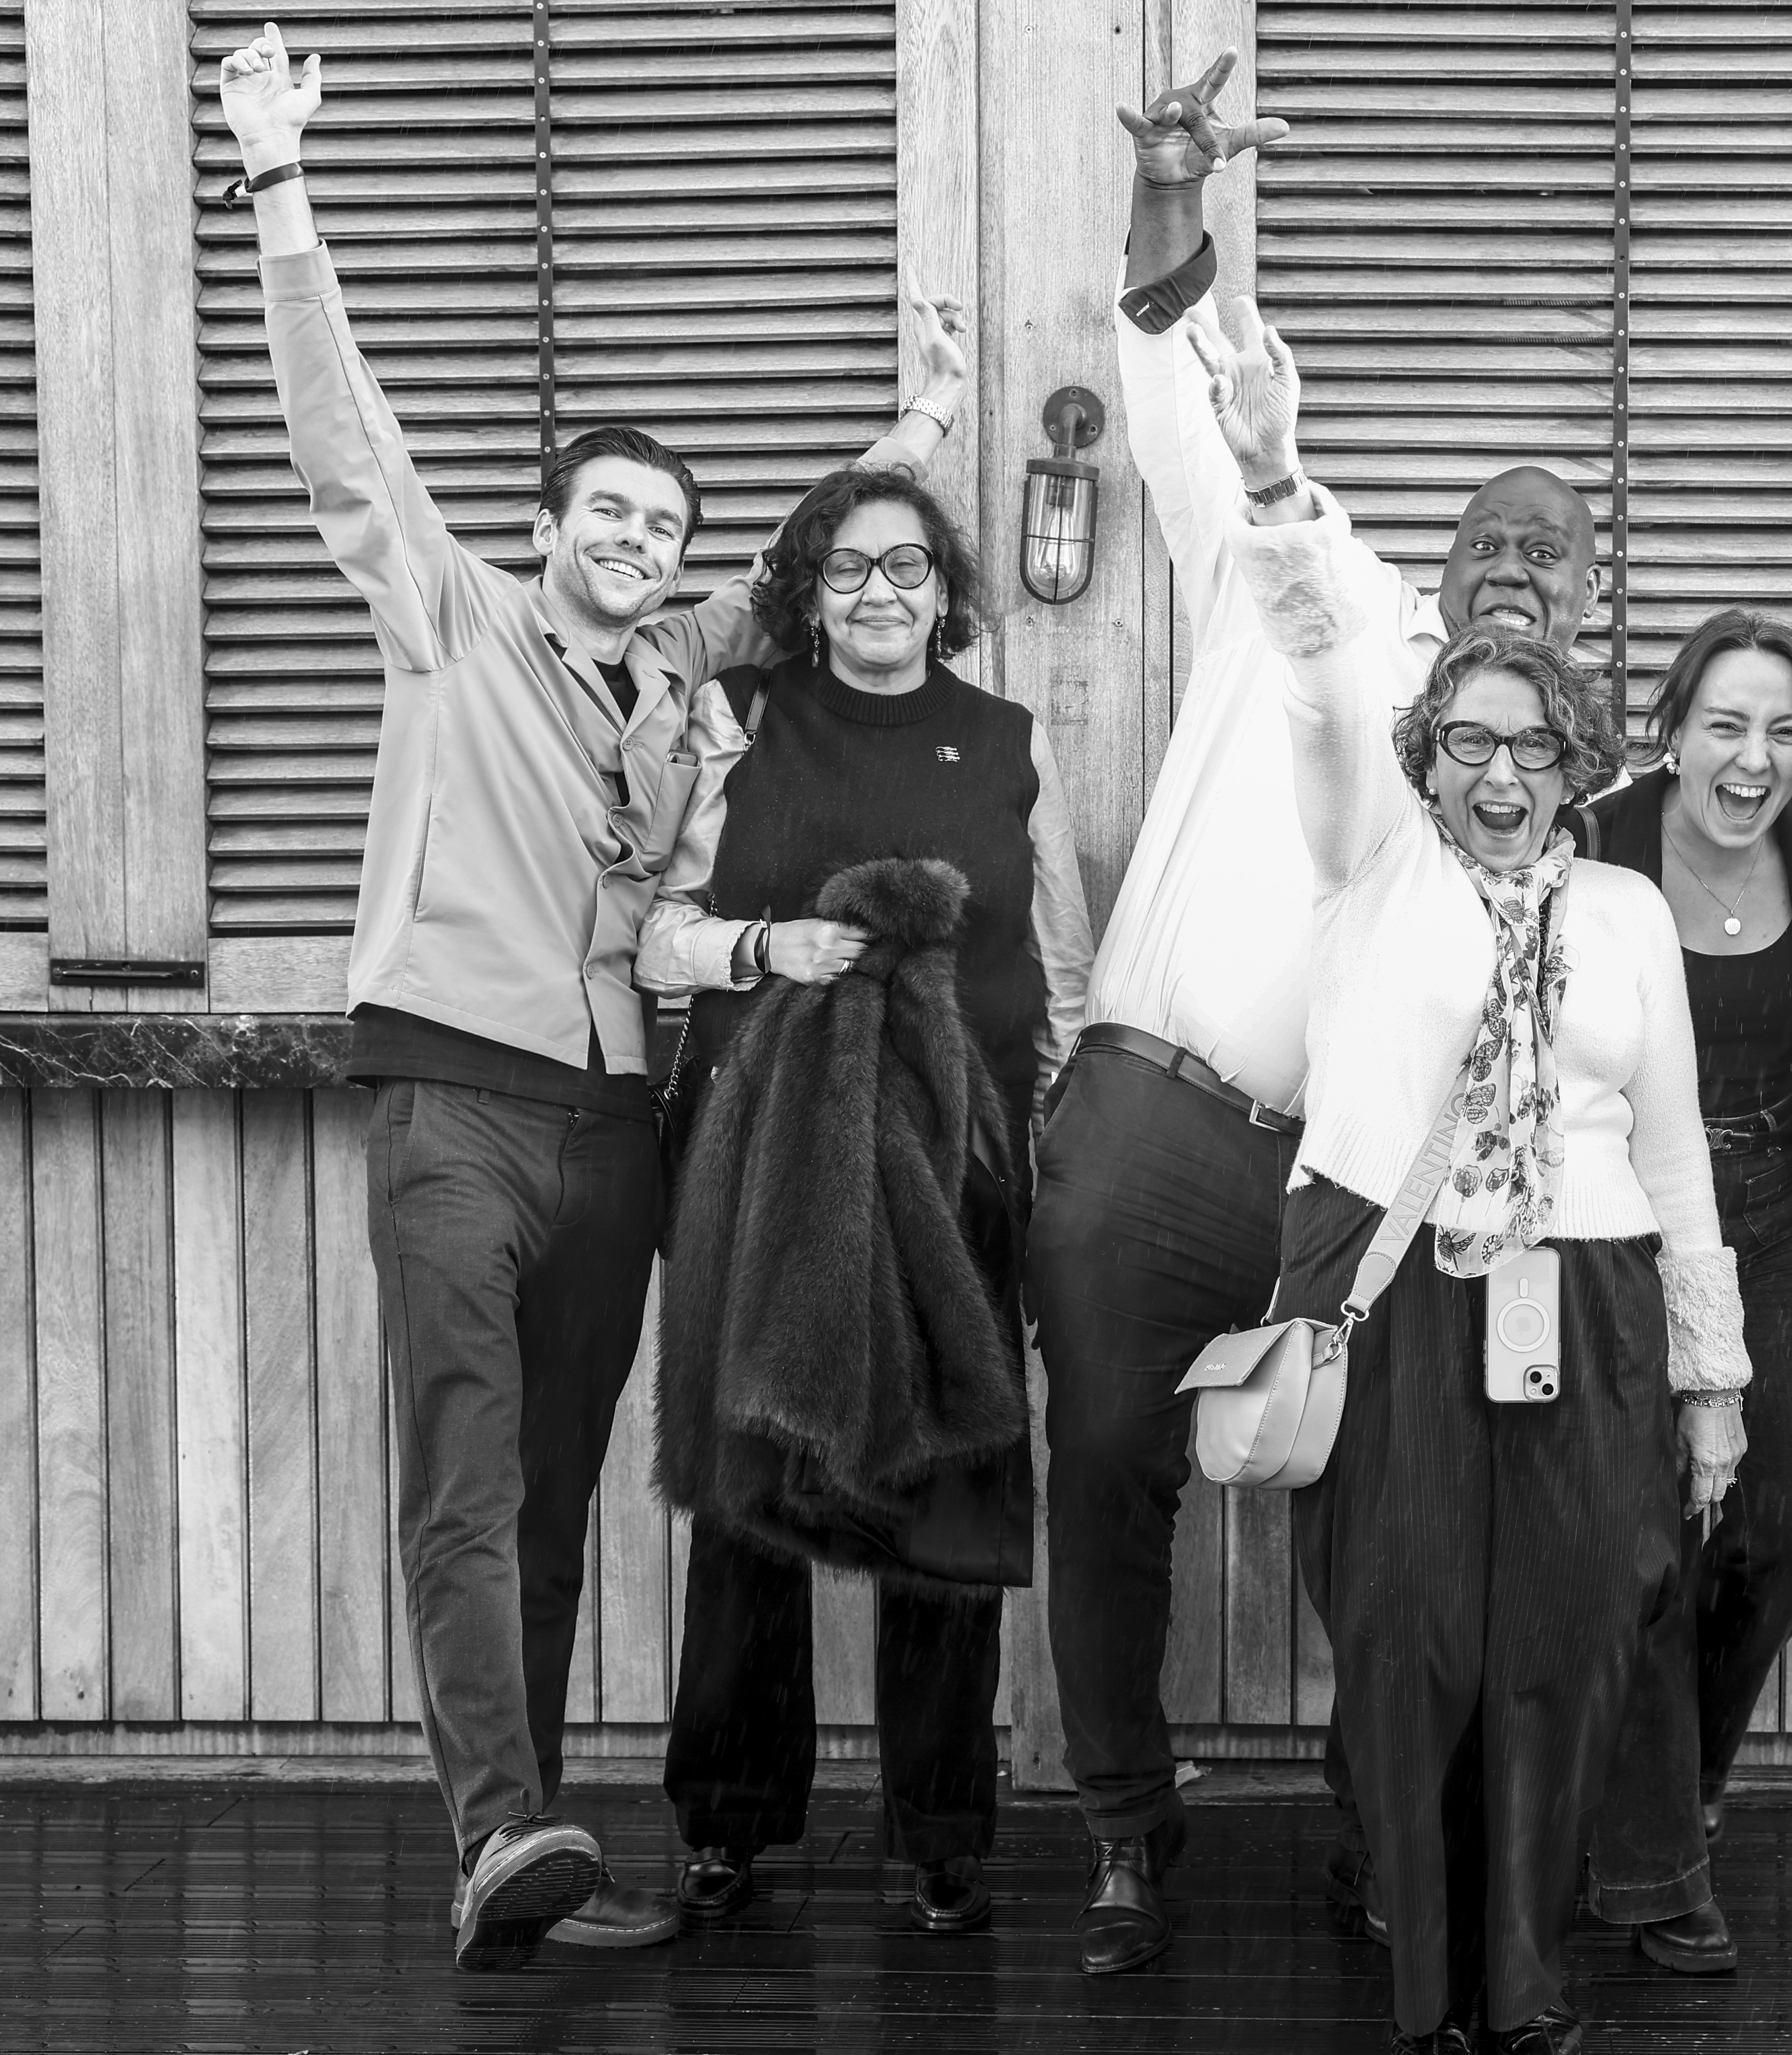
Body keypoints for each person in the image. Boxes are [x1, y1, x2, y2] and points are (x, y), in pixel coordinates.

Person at [216, 24, 967, 1971]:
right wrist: (280, 182)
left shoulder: (678, 671)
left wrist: (921, 429)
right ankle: (494, 1828)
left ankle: (528, 1847)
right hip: (456, 1104)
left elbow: (803, 569)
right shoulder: (450, 618)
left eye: (660, 530)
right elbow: (342, 437)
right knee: (465, 1478)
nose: (636, 547)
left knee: (552, 1500)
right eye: (607, 517)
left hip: (619, 1129)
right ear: (548, 527)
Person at [1033, 51, 1613, 1976]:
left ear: (1587, 597)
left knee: (1378, 1519)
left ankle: (1384, 1843)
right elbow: (1179, 399)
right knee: (1107, 1476)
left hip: (1367, 1191)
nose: (1513, 564)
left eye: (1550, 549)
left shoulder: (1560, 786)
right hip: (1157, 1120)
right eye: (1492, 537)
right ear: (1445, 556)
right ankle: (1126, 1830)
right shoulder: (1316, 588)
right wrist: (1171, 196)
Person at [1214, 361, 1752, 2049]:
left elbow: (1675, 1151)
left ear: (1576, 761)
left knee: (1571, 1637)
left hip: (1585, 1288)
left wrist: (1712, 1377)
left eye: (1530, 745)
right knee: (1405, 1636)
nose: (1498, 774)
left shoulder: (1629, 914)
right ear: (1426, 759)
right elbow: (1319, 679)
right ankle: (1423, 1985)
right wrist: (1275, 481)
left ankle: (1523, 1982)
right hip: (1387, 1275)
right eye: (1466, 743)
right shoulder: (1374, 865)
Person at [636, 466, 1091, 1934]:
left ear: (945, 591)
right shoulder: (742, 720)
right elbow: (656, 935)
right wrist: (769, 948)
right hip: (767, 1164)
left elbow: (1065, 978)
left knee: (946, 1484)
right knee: (752, 1482)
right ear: (809, 592)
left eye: (906, 567)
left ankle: (944, 1830)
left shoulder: (1009, 741)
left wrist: (1049, 1150)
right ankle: (727, 1818)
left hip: (960, 1170)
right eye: (847, 569)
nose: (879, 592)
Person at [1580, 609, 1792, 1975]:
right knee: (1646, 1541)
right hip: (1628, 1213)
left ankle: (1684, 1777)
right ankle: (1658, 1857)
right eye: (1728, 725)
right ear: (1675, 730)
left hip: (1785, 1212)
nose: (1755, 760)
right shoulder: (1596, 839)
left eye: (1787, 732)